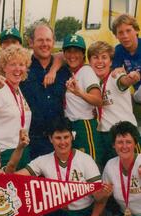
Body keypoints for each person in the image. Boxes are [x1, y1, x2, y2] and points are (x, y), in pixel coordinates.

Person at [16, 119, 104, 216]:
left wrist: (100, 201)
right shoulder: (43, 160)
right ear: (51, 139)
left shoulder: (85, 160)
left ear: (72, 137)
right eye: (58, 138)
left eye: (66, 137)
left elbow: (99, 196)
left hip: (82, 214)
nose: (63, 142)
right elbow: (16, 177)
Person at [20, 22, 71, 160]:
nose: (45, 44)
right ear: (31, 42)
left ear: (53, 42)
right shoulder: (22, 67)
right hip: (31, 142)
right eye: (40, 40)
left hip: (58, 142)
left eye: (48, 40)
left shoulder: (64, 69)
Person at [88, 41, 141, 166]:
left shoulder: (115, 75)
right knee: (110, 175)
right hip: (104, 135)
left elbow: (123, 81)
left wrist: (130, 78)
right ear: (89, 62)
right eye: (95, 57)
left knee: (134, 173)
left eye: (104, 57)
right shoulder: (93, 82)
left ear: (111, 62)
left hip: (125, 134)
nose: (100, 61)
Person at [98, 121, 141, 216]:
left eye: (128, 142)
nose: (124, 146)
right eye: (120, 142)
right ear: (113, 145)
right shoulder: (110, 165)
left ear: (135, 143)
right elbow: (103, 197)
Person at [62, 34, 103, 167]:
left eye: (76, 51)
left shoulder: (86, 71)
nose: (72, 55)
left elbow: (98, 100)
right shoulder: (71, 72)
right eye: (69, 51)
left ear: (83, 54)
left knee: (90, 164)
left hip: (85, 126)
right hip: (72, 125)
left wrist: (80, 93)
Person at [111, 14, 141, 98]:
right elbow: (115, 73)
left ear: (136, 30)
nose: (125, 36)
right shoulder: (118, 50)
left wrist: (138, 74)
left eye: (128, 31)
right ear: (116, 36)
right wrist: (118, 71)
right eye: (120, 32)